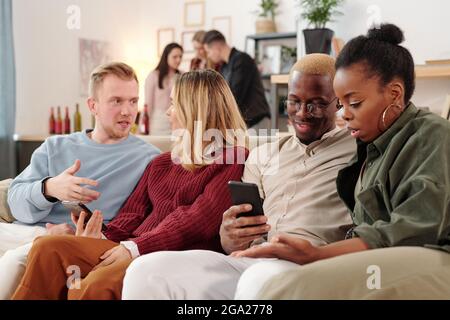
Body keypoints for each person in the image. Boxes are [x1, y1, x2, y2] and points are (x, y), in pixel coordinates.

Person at [120, 54, 357, 300]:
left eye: (317, 103)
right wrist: (229, 235)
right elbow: (235, 237)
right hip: (250, 260)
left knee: (258, 281)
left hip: (306, 265)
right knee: (145, 271)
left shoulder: (358, 150)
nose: (302, 113)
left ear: (338, 102)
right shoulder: (264, 154)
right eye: (294, 101)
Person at [12, 69, 249, 300]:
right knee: (49, 247)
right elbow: (133, 213)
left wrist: (134, 247)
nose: (168, 112)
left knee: (97, 282)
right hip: (130, 247)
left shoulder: (232, 159)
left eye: (174, 104)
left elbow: (196, 220)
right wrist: (103, 235)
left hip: (165, 255)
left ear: (196, 110)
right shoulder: (162, 162)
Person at [254, 24, 450, 299]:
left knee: (290, 289)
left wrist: (319, 255)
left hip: (435, 257)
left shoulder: (432, 133)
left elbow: (418, 228)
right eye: (341, 105)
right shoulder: (369, 148)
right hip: (390, 257)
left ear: (395, 94)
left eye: (354, 103)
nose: (343, 115)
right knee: (276, 284)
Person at [0, 62, 160, 299]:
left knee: (14, 261)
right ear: (93, 105)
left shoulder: (150, 159)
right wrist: (50, 188)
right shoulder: (55, 146)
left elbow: (148, 220)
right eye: (117, 101)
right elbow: (14, 202)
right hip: (29, 231)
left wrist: (101, 238)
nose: (127, 111)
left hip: (73, 243)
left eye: (133, 101)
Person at [203, 30, 271, 131]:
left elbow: (234, 95)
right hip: (244, 124)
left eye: (208, 51)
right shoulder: (224, 66)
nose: (208, 56)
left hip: (256, 121)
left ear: (217, 47)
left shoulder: (242, 60)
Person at [144, 42, 183, 135]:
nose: (178, 60)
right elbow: (148, 103)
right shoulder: (153, 75)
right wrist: (144, 126)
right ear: (166, 57)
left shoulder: (183, 75)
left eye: (180, 56)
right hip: (158, 122)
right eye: (175, 57)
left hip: (178, 121)